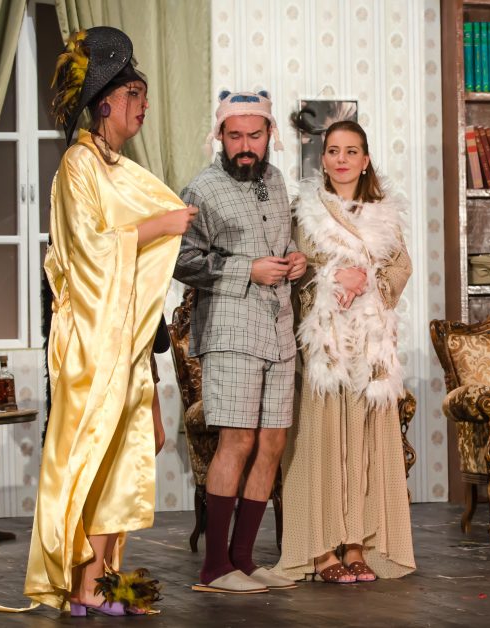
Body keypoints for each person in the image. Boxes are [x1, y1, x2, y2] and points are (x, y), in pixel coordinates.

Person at [14, 27, 196, 616]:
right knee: (92, 455)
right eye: (134, 94)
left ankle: (100, 578)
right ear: (105, 103)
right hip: (91, 342)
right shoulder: (79, 165)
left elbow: (132, 268)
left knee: (123, 456)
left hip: (125, 340)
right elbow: (89, 250)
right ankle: (81, 583)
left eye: (143, 94)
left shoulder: (118, 168)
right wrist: (160, 226)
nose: (144, 106)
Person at [174, 90, 307, 594]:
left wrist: (294, 258)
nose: (245, 146)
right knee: (238, 440)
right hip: (231, 329)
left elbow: (278, 241)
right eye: (235, 136)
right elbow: (181, 261)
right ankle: (215, 568)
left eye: (254, 135)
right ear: (220, 136)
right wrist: (246, 270)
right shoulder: (201, 189)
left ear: (270, 134)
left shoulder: (275, 180)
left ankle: (245, 560)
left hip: (279, 330)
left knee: (272, 442)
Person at [273, 121, 415, 583]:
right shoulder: (306, 210)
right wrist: (335, 277)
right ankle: (319, 550)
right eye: (333, 150)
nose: (341, 159)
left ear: (365, 159)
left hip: (369, 344)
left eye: (351, 151)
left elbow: (400, 267)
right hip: (325, 342)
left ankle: (356, 544)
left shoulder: (384, 213)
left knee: (363, 444)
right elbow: (296, 266)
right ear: (323, 159)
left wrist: (365, 280)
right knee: (320, 441)